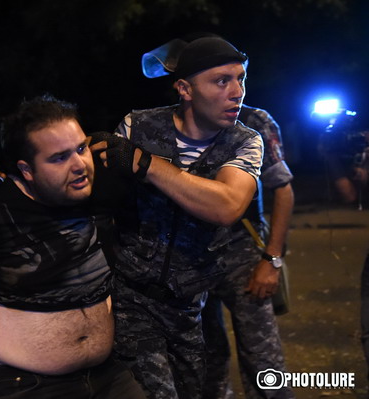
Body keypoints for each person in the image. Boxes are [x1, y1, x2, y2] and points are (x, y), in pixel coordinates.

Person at [90, 36, 263, 398]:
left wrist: (147, 165)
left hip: (189, 310)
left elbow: (228, 205)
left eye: (241, 78)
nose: (238, 92)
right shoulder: (138, 127)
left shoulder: (245, 141)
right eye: (222, 81)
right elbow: (98, 203)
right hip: (132, 301)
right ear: (185, 88)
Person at [0, 95, 146, 399]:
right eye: (59, 158)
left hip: (107, 375)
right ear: (26, 170)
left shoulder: (100, 187)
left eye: (81, 148)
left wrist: (142, 164)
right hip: (23, 383)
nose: (79, 165)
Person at [201, 104, 295, 399]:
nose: (234, 89)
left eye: (238, 77)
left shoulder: (254, 120)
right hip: (187, 257)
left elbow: (283, 189)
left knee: (264, 363)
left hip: (242, 253)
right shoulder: (164, 121)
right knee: (205, 362)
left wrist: (271, 260)